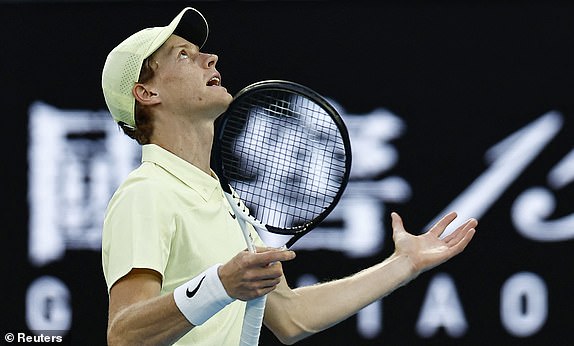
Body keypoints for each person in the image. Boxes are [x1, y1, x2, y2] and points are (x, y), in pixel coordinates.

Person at [101, 7, 477, 346]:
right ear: (146, 92)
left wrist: (403, 264)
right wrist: (220, 285)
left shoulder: (225, 202)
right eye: (183, 55)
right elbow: (124, 334)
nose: (210, 58)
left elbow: (292, 317)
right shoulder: (147, 193)